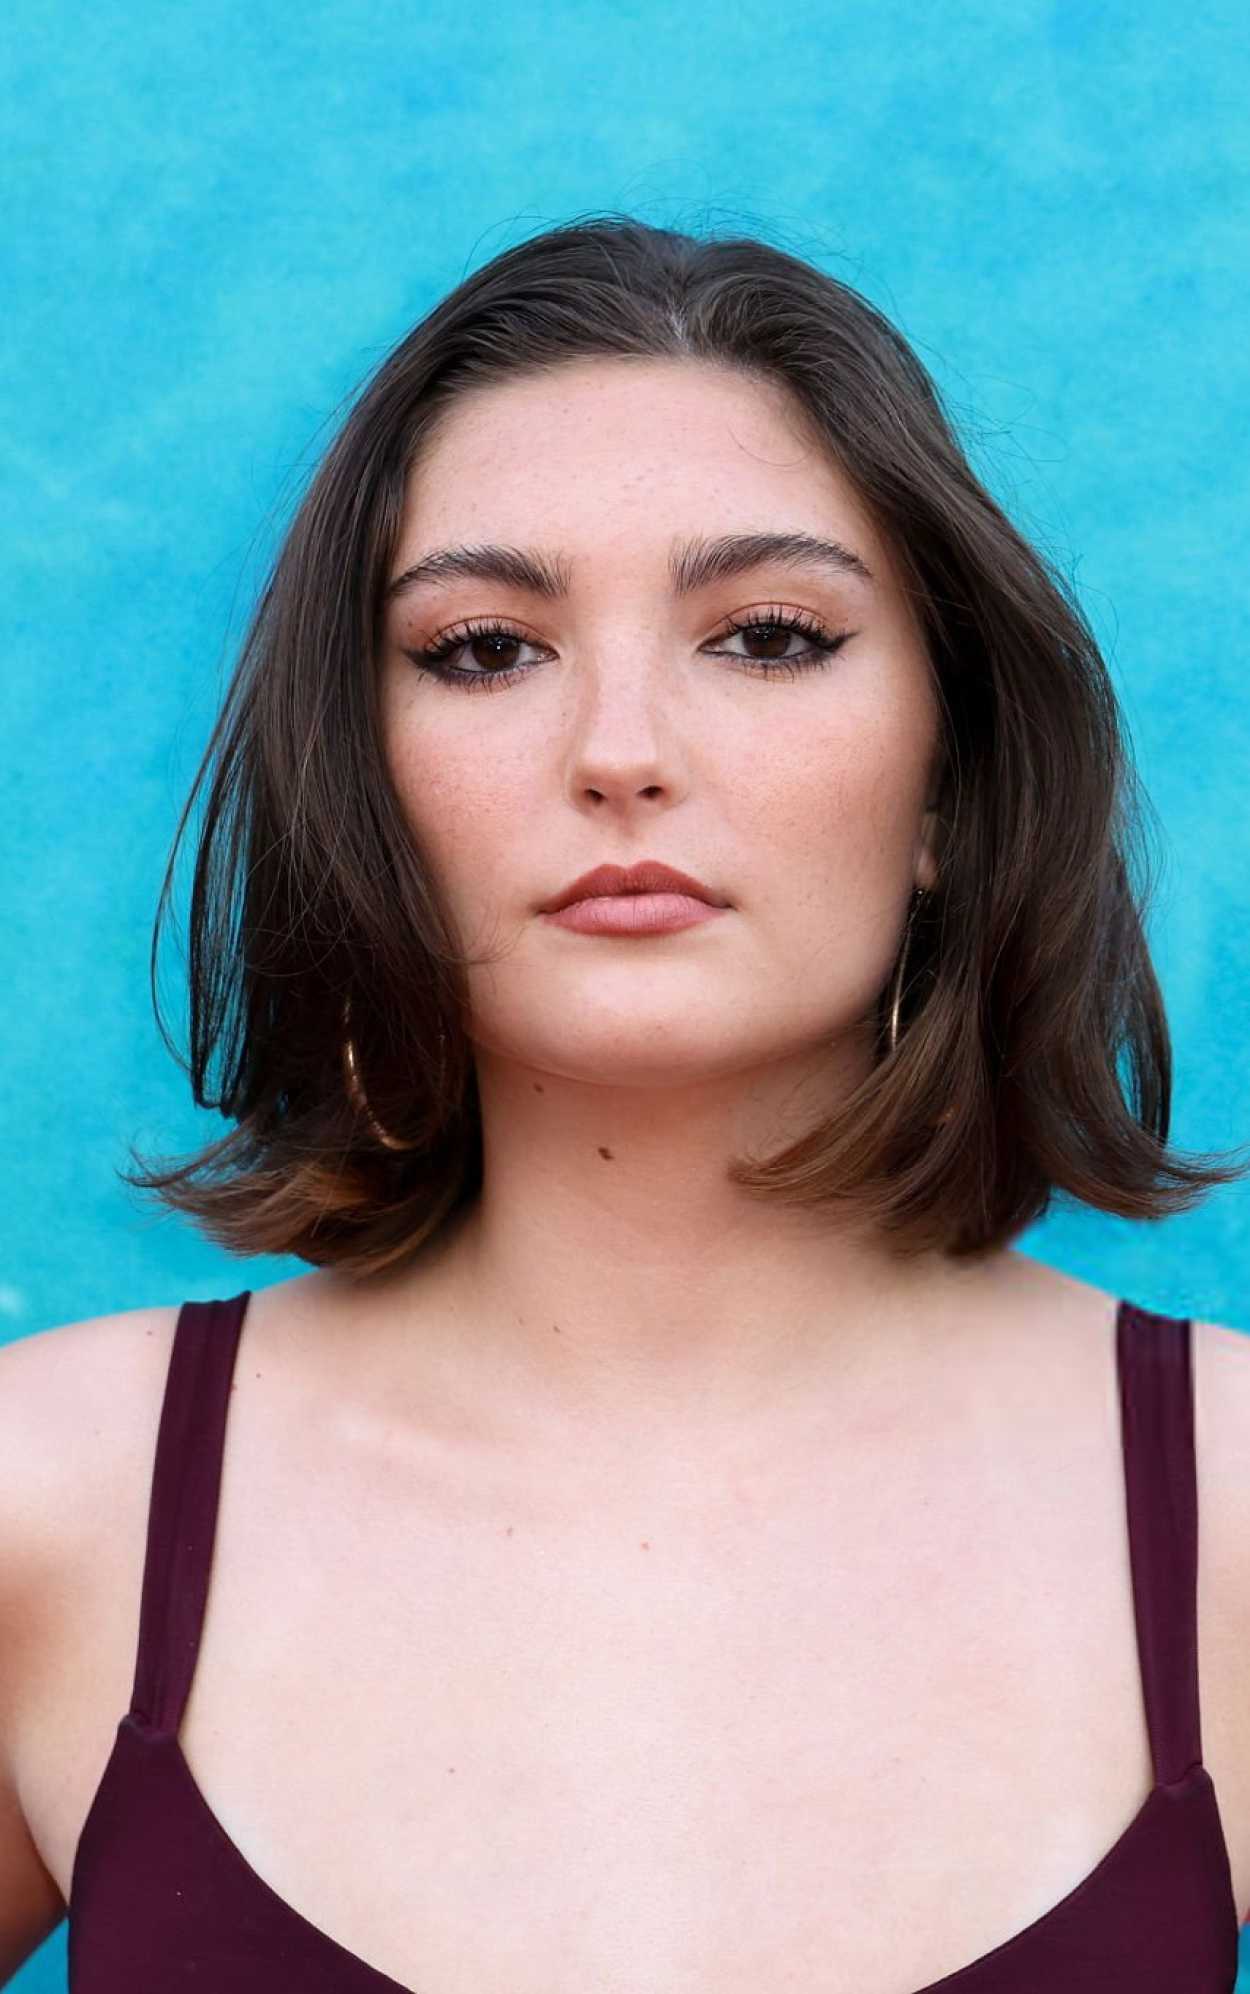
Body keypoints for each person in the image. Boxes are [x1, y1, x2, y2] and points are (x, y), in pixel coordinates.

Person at [3, 214, 1249, 1991]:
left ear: (947, 784)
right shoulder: (52, 1499)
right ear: (358, 773)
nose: (618, 751)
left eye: (767, 635)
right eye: (482, 650)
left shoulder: (1228, 1509)